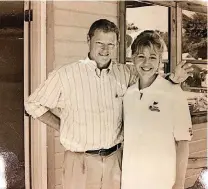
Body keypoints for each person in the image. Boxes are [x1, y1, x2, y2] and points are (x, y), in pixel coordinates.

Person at [24, 19, 193, 189]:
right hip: (80, 161)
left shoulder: (124, 73)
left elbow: (149, 76)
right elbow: (33, 105)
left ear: (117, 45)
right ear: (88, 41)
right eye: (99, 43)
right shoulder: (65, 75)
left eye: (110, 44)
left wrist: (172, 80)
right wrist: (63, 126)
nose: (105, 50)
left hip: (115, 161)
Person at [121, 30, 193, 189]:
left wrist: (179, 183)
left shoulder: (173, 92)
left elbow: (183, 142)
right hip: (130, 181)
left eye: (153, 57)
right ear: (133, 59)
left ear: (160, 61)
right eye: (141, 57)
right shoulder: (128, 94)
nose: (146, 63)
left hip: (161, 182)